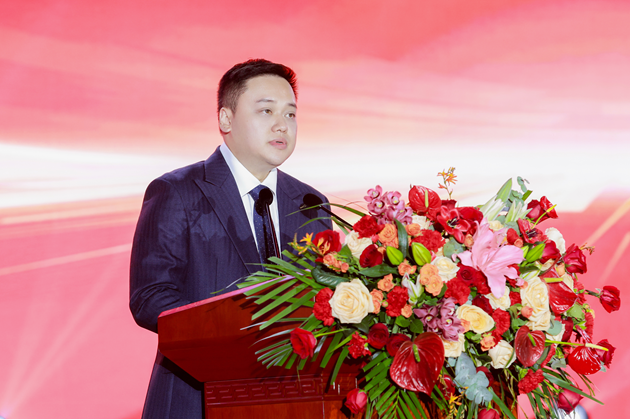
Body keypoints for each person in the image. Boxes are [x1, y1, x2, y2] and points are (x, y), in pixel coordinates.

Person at [129, 59, 332, 419]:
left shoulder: (310, 203)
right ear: (226, 119)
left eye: (290, 114)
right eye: (266, 111)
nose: (281, 125)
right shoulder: (178, 191)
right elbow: (150, 296)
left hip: (294, 399)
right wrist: (233, 331)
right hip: (197, 396)